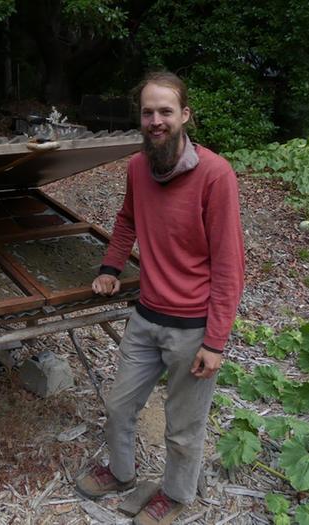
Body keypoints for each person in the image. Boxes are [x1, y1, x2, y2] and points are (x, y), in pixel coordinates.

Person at [75, 71, 245, 525]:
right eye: (148, 112)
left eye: (165, 111)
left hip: (193, 328)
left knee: (183, 429)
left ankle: (174, 494)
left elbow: (229, 264)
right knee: (118, 405)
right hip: (146, 316)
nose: (156, 120)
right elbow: (128, 218)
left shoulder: (215, 174)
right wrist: (111, 267)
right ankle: (122, 472)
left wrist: (216, 342)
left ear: (184, 115)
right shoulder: (137, 166)